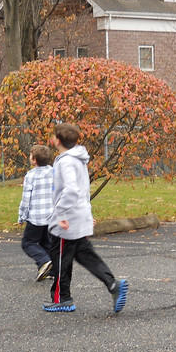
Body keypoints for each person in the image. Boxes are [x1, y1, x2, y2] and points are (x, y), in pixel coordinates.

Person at [43, 122, 128, 313]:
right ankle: (112, 284)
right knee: (84, 255)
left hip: (67, 219)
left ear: (57, 140)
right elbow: (83, 189)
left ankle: (62, 298)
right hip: (78, 215)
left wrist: (61, 214)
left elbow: (72, 189)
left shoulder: (66, 161)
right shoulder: (77, 159)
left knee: (60, 257)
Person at [18, 144, 55, 281]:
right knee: (47, 243)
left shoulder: (31, 176)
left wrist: (22, 216)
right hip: (52, 216)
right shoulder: (55, 173)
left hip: (36, 217)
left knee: (28, 243)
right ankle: (52, 271)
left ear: (34, 160)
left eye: (30, 155)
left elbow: (26, 198)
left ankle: (44, 261)